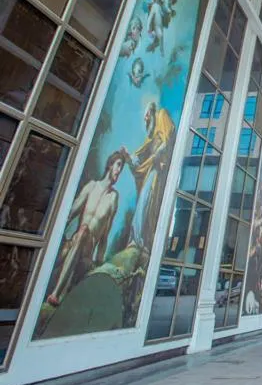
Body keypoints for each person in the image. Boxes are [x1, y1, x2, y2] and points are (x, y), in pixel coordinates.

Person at [46, 152, 125, 307]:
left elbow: (105, 235)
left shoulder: (113, 198)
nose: (119, 171)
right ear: (110, 164)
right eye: (118, 165)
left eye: (121, 168)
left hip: (87, 251)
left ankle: (57, 294)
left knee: (83, 231)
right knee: (63, 250)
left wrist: (99, 262)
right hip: (74, 242)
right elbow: (70, 214)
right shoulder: (91, 186)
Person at [122, 102, 175, 248]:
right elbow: (138, 158)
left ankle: (138, 240)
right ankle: (136, 239)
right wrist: (127, 157)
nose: (145, 119)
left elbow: (167, 140)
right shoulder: (150, 138)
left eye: (146, 115)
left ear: (152, 113)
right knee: (144, 203)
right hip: (152, 172)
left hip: (157, 172)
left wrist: (157, 154)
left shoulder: (162, 115)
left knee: (147, 203)